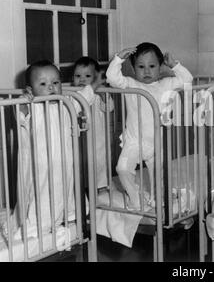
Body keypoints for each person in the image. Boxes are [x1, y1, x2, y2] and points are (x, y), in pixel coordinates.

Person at [3, 60, 102, 239]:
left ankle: (68, 217)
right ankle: (36, 228)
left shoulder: (67, 103)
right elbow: (21, 115)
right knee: (40, 197)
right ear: (30, 90)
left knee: (67, 191)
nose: (51, 87)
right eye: (43, 84)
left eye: (55, 82)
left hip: (63, 165)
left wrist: (96, 82)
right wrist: (25, 102)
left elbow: (85, 96)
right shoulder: (33, 106)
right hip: (40, 168)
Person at [106, 42, 193, 209]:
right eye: (140, 66)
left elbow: (187, 79)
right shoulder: (130, 84)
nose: (146, 71)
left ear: (160, 67)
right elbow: (112, 78)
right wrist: (118, 59)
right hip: (134, 141)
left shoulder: (166, 84)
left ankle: (156, 197)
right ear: (133, 67)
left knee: (157, 175)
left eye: (152, 66)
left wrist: (174, 65)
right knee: (122, 168)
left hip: (157, 142)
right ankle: (135, 196)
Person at [72, 56, 114, 189]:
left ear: (95, 78)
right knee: (78, 164)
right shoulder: (71, 95)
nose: (82, 79)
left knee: (99, 162)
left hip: (97, 138)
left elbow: (109, 108)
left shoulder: (97, 94)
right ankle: (81, 188)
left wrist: (103, 95)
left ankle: (100, 186)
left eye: (87, 76)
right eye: (77, 75)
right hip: (78, 139)